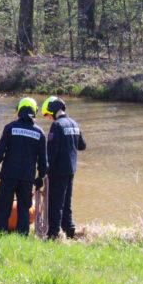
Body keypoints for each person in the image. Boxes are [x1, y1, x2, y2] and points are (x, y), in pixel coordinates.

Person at [0, 97, 48, 235]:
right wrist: (40, 176)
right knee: (23, 208)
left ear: (19, 110)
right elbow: (43, 159)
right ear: (34, 111)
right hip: (27, 177)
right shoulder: (39, 133)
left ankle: (1, 234)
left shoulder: (10, 128)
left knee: (4, 206)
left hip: (8, 175)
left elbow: (0, 151)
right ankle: (22, 236)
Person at [42, 96, 86, 239]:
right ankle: (69, 229)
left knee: (55, 203)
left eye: (48, 115)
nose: (49, 118)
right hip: (71, 170)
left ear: (53, 110)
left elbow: (51, 152)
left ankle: (53, 234)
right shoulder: (74, 124)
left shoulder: (57, 125)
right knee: (66, 202)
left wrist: (44, 171)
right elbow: (82, 145)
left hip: (58, 171)